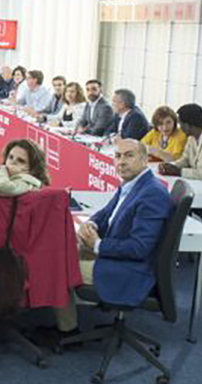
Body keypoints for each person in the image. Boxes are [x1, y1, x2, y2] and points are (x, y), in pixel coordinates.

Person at [54, 138, 173, 335]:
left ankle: (68, 330)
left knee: (60, 266)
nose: (121, 162)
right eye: (117, 156)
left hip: (129, 270)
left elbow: (139, 248)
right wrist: (90, 224)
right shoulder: (133, 184)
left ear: (144, 160)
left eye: (129, 155)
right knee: (64, 246)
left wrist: (99, 244)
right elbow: (106, 212)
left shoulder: (152, 194)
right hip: (117, 256)